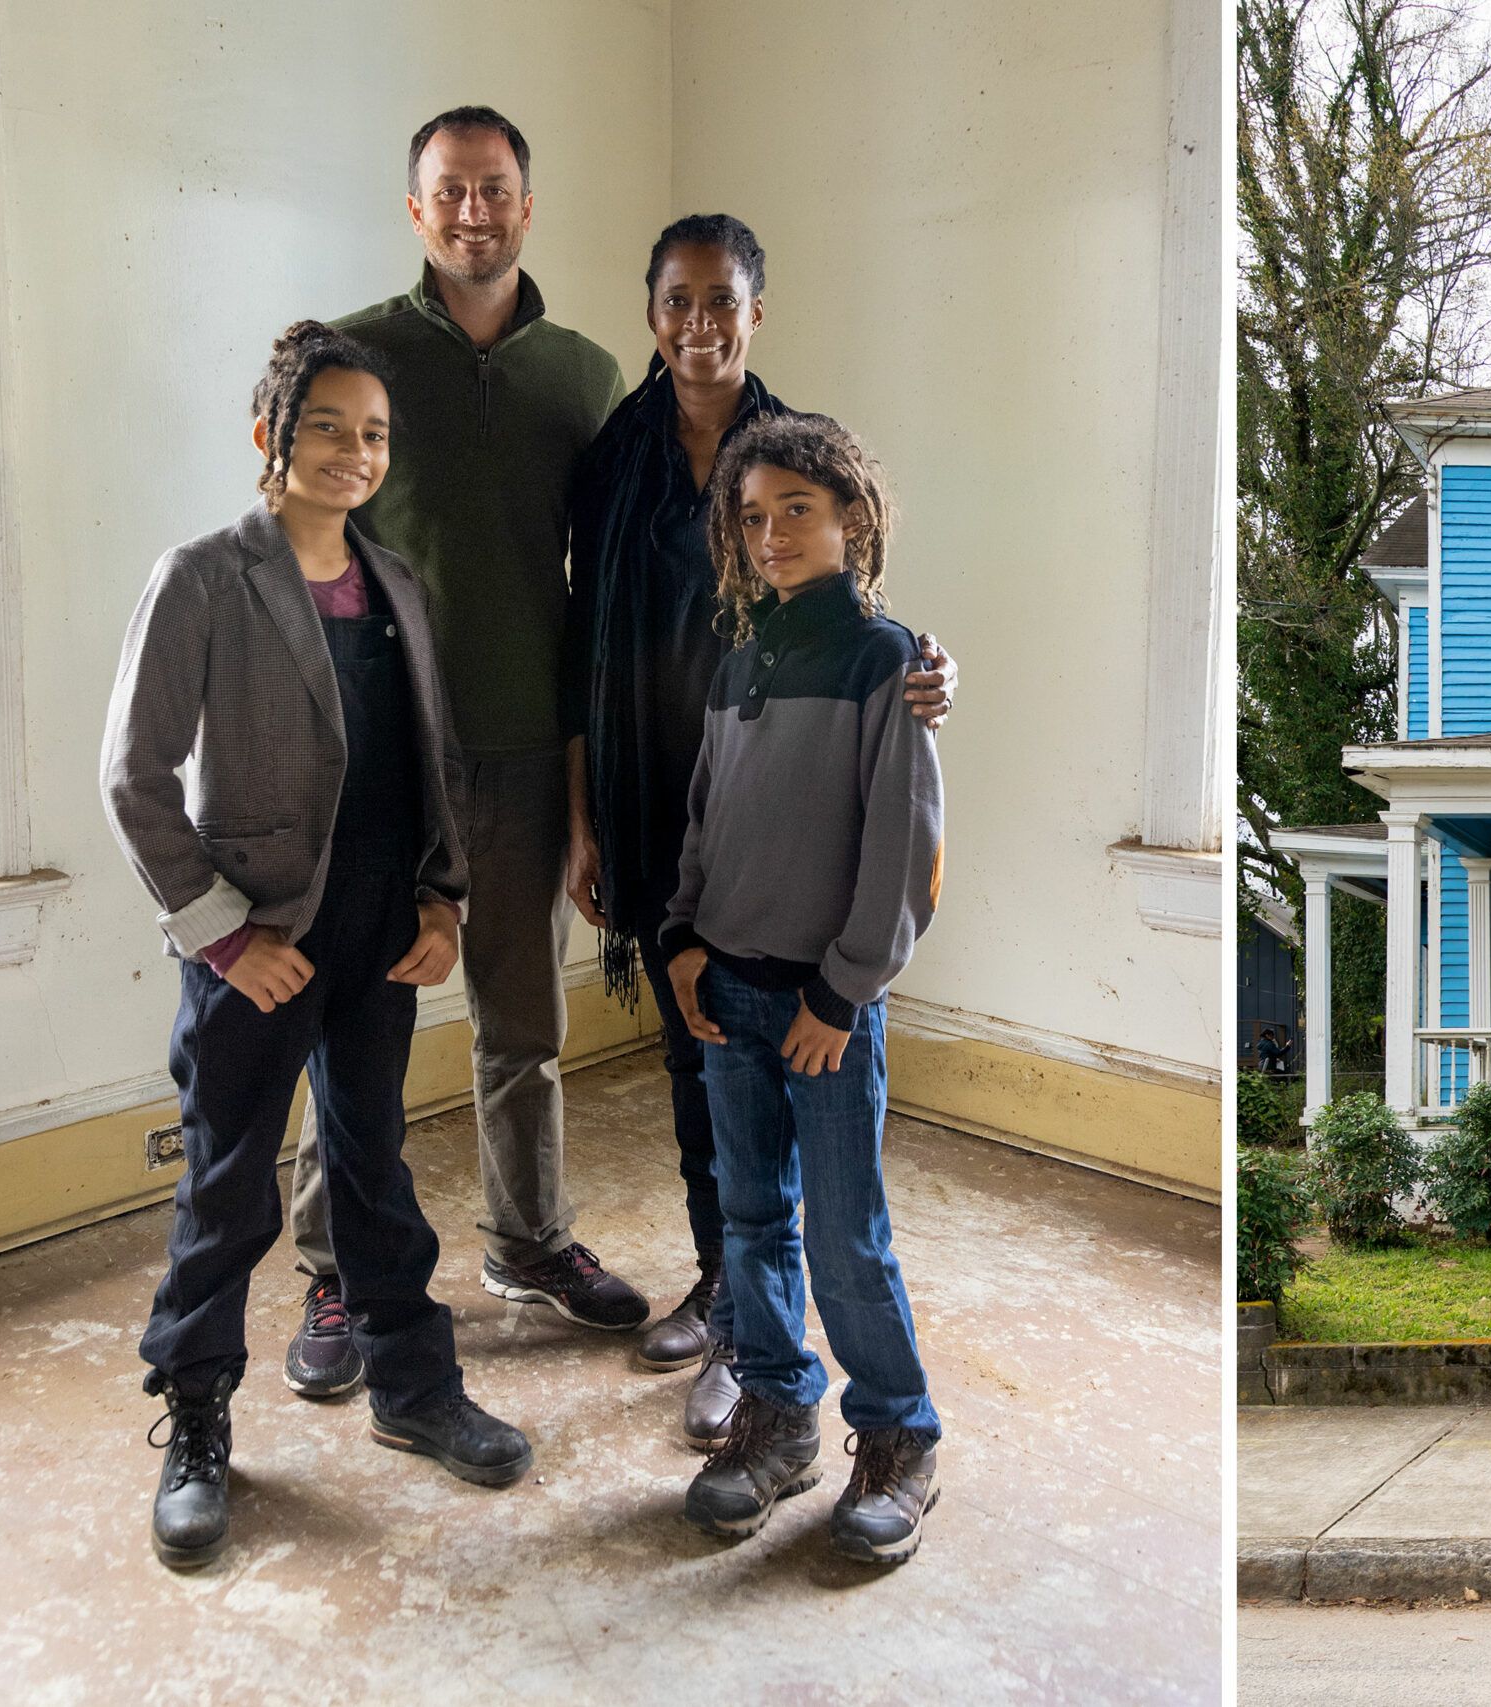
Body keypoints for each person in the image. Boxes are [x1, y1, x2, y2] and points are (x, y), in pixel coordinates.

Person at [277, 111, 955, 1401]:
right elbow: (308, 512)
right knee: (354, 1016)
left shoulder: (584, 383)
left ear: (529, 207)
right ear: (417, 209)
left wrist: (920, 662)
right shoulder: (366, 358)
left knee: (521, 1024)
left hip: (562, 749)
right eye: (450, 192)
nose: (475, 210)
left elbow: (819, 580)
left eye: (498, 190)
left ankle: (530, 1242)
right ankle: (334, 1268)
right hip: (395, 748)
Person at [101, 324, 532, 1570]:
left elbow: (430, 764)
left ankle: (414, 1384)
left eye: (375, 434)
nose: (355, 452)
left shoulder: (399, 588)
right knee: (229, 1186)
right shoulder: (203, 578)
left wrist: (441, 902)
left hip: (379, 933)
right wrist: (227, 940)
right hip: (260, 938)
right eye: (329, 428)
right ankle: (195, 1421)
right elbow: (132, 780)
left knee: (373, 1166)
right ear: (271, 442)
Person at [561, 214, 956, 1448]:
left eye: (721, 297)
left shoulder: (797, 471)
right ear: (652, 314)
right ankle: (744, 1320)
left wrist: (930, 667)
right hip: (678, 825)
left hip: (805, 872)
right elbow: (583, 646)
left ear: (755, 311)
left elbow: (875, 647)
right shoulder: (612, 459)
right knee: (719, 1116)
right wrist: (619, 857)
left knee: (836, 1207)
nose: (699, 321)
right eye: (676, 299)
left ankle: (863, 1410)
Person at [661, 414, 945, 1565]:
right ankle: (778, 1417)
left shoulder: (891, 666)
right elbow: (704, 817)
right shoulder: (738, 665)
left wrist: (842, 995)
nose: (772, 533)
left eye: (797, 511)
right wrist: (682, 938)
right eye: (753, 514)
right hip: (726, 992)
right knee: (747, 1222)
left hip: (826, 1008)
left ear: (852, 521)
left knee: (845, 1234)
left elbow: (905, 848)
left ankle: (898, 1436)